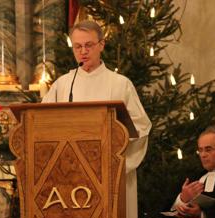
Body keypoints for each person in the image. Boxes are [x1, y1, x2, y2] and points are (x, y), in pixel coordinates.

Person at [42, 20, 152, 218]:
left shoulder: (120, 84)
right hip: (69, 177)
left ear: (101, 45)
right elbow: (41, 123)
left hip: (109, 173)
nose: (83, 51)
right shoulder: (63, 85)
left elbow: (141, 127)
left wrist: (115, 149)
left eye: (88, 45)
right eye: (77, 46)